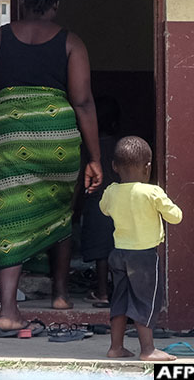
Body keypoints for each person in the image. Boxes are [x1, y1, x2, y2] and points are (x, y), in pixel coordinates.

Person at [0, 0, 103, 337]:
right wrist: (94, 157)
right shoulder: (71, 43)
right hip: (58, 137)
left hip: (11, 137)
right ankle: (61, 295)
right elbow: (83, 102)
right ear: (56, 2)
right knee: (59, 209)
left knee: (11, 215)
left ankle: (9, 310)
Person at [101, 136, 183, 361]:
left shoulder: (111, 192)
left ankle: (115, 348)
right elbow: (176, 217)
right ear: (148, 168)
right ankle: (147, 350)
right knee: (145, 301)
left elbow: (104, 210)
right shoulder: (152, 192)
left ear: (114, 166)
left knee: (119, 300)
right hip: (144, 258)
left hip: (118, 254)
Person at [80, 95, 121, 308]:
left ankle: (103, 293)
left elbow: (80, 179)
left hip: (97, 203)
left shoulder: (88, 149)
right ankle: (121, 292)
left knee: (101, 253)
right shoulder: (120, 146)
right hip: (121, 203)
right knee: (119, 248)